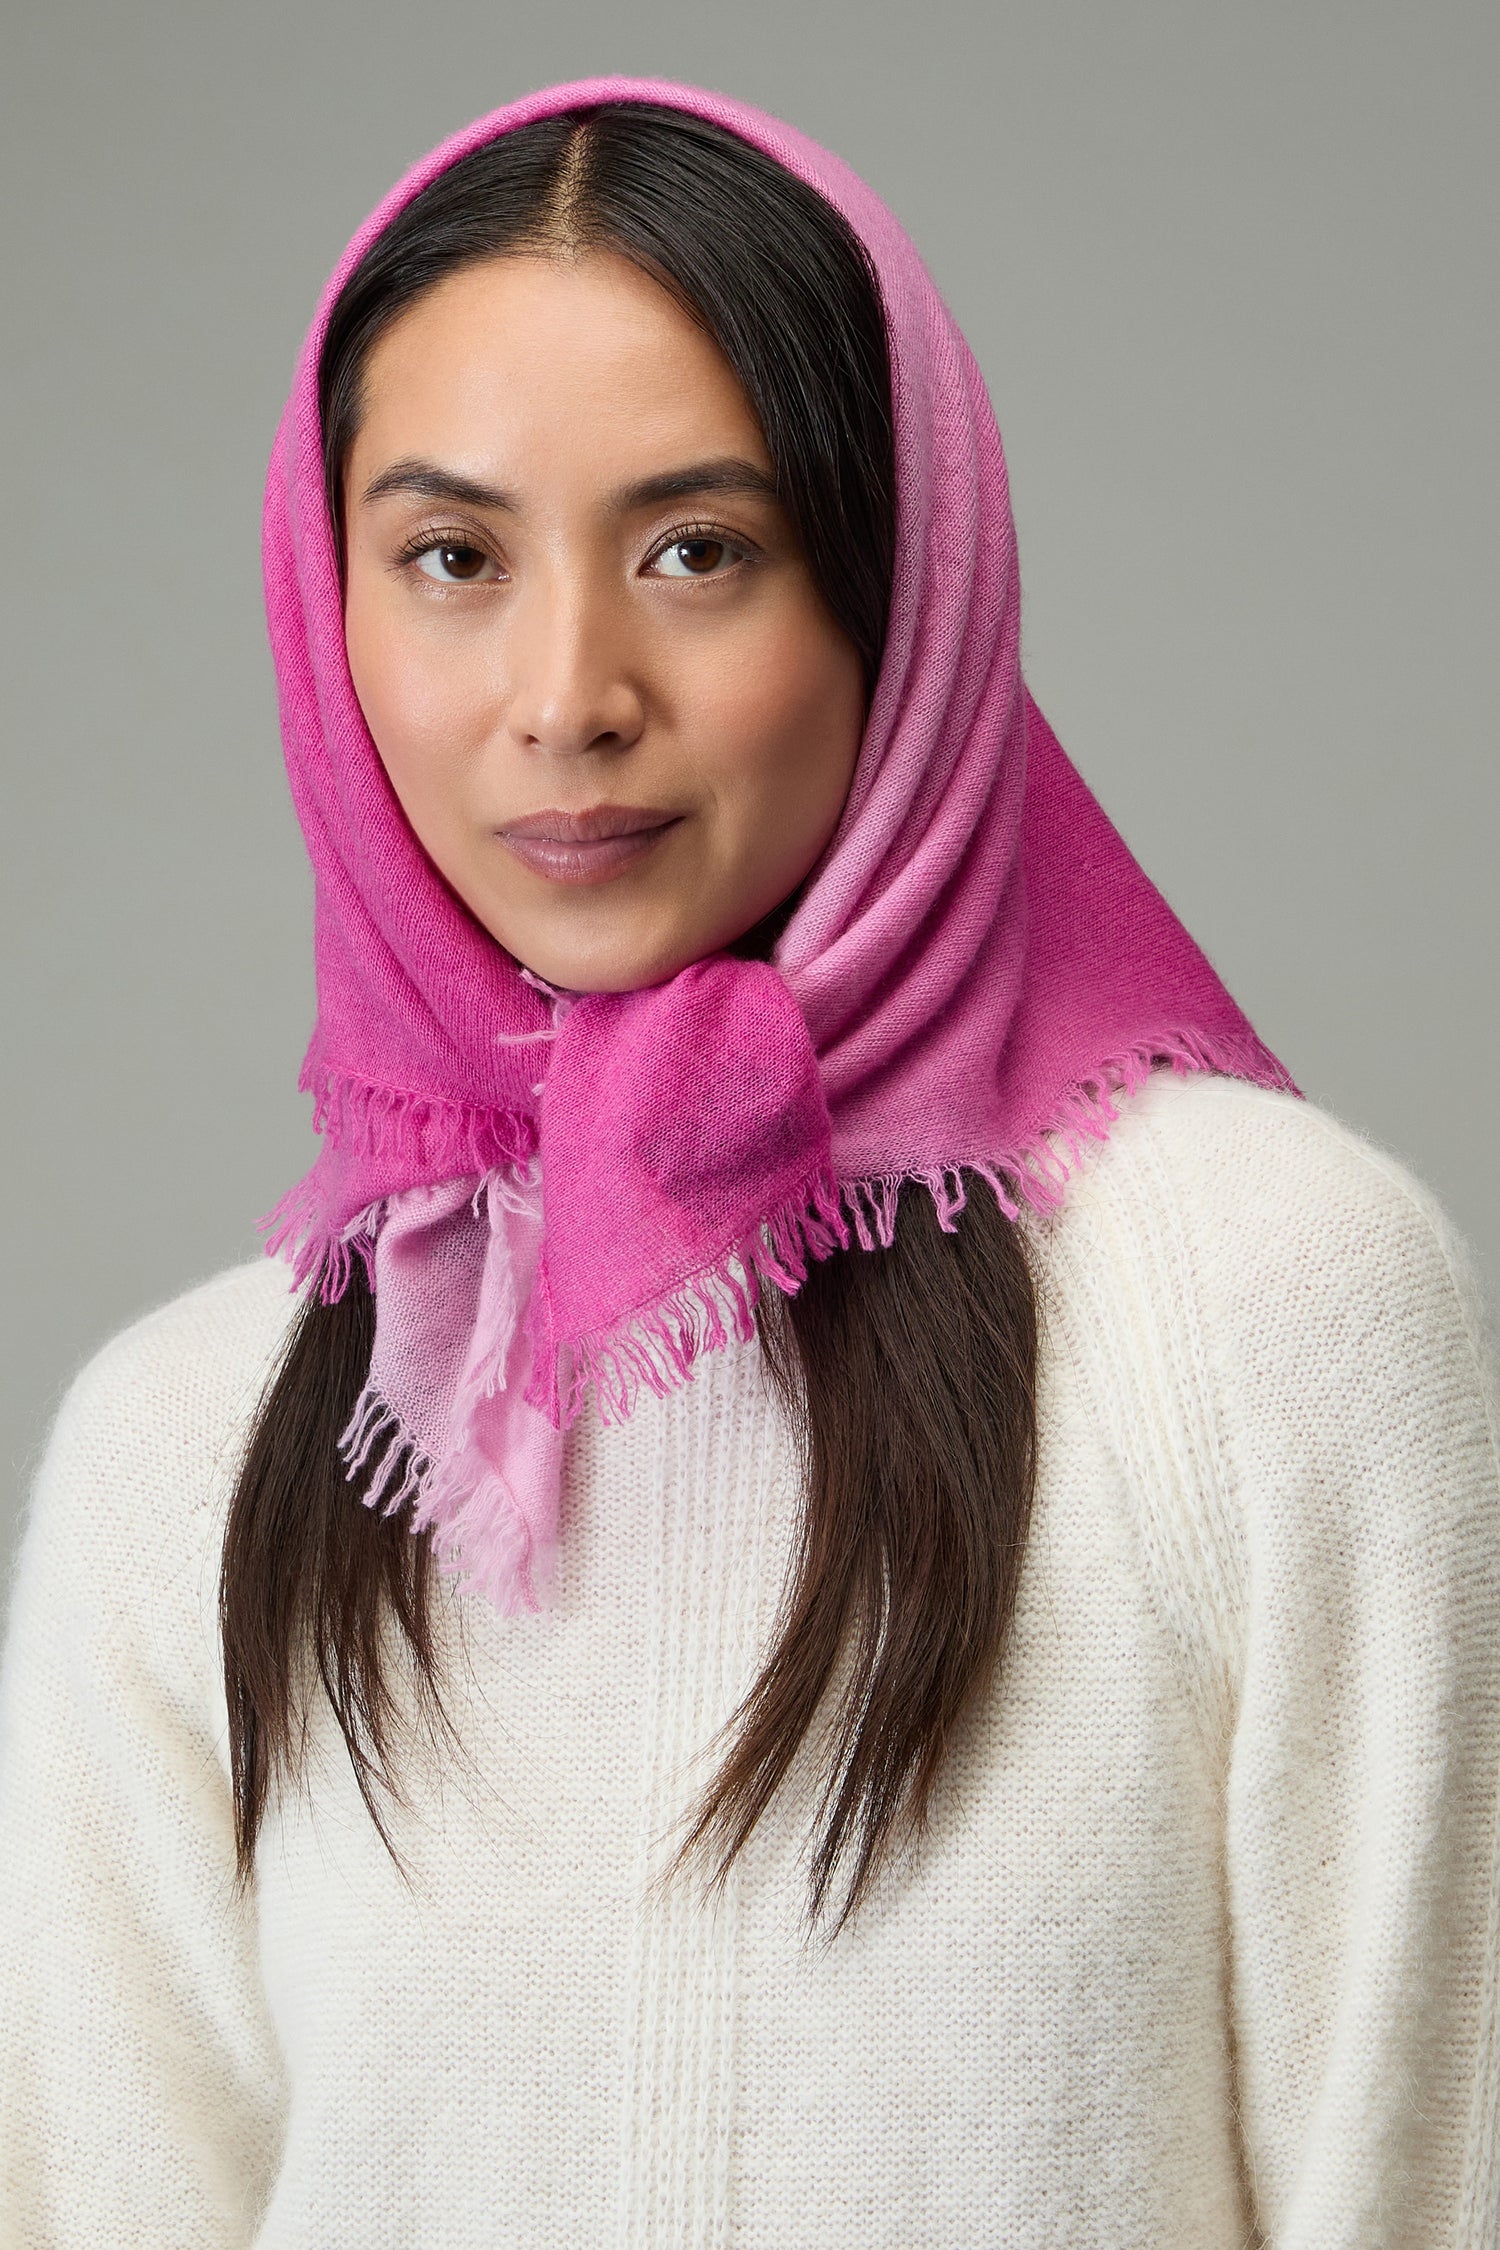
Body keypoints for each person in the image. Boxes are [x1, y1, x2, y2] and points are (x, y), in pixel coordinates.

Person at [1, 75, 1496, 2250]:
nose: (568, 693)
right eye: (451, 558)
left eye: (700, 549)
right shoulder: (181, 1446)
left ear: (901, 590)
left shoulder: (1269, 1304)